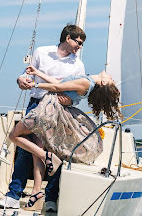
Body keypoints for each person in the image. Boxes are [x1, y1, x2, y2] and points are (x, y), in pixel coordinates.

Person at [0, 25, 86, 211]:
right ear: (68, 38)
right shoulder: (42, 52)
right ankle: (14, 196)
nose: (80, 46)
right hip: (36, 103)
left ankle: (50, 199)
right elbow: (26, 74)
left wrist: (69, 101)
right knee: (24, 151)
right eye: (78, 42)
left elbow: (77, 93)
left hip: (60, 108)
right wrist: (21, 80)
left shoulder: (78, 64)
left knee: (56, 150)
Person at [7, 68, 122, 205]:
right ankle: (36, 192)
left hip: (47, 109)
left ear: (103, 82)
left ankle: (47, 157)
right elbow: (58, 82)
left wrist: (34, 85)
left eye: (111, 80)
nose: (112, 77)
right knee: (35, 151)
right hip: (51, 108)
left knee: (14, 135)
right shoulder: (87, 81)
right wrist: (38, 73)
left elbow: (57, 87)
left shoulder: (86, 82)